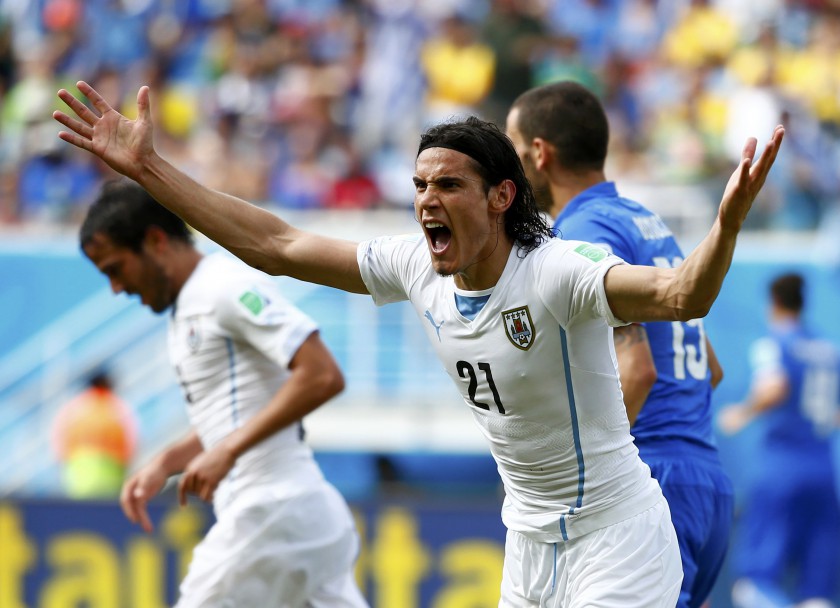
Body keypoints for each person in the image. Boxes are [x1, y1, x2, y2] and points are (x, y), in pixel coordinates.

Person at [54, 80, 783, 607]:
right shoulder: (414, 265)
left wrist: (728, 225)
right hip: (528, 545)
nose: (428, 199)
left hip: (617, 533)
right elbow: (275, 243)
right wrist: (149, 169)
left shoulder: (559, 268)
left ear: (502, 195)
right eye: (419, 184)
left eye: (450, 185)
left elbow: (682, 296)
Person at [78, 180, 369, 608]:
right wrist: (167, 461)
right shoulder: (187, 307)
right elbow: (242, 411)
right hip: (296, 517)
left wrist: (227, 451)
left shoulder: (222, 289)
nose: (116, 289)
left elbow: (322, 374)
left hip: (271, 509)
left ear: (156, 241)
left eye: (115, 269)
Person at [505, 80, 735, 608]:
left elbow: (638, 371)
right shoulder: (642, 220)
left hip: (652, 479)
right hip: (703, 477)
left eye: (513, 150)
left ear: (539, 153)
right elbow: (711, 367)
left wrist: (570, 478)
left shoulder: (584, 232)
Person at [718, 272, 840, 608]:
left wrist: (742, 413)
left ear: (773, 302)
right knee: (816, 591)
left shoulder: (773, 342)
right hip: (823, 471)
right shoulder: (827, 350)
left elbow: (774, 387)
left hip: (782, 469)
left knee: (753, 583)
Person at [51, 370, 138, 499]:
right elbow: (132, 440)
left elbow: (58, 437)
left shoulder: (74, 407)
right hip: (112, 475)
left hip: (77, 475)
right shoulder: (117, 406)